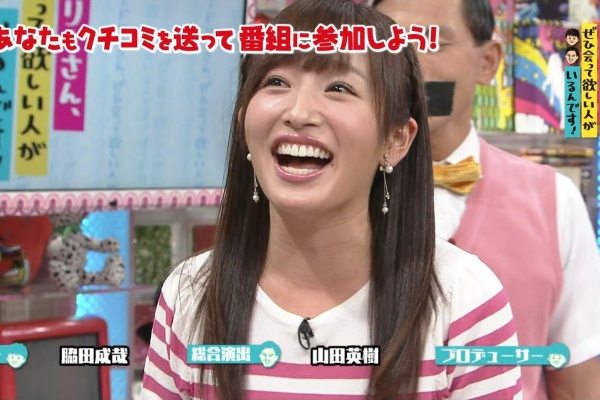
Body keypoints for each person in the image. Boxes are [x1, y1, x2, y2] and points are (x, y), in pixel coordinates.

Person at [142, 0, 522, 398]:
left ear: (396, 139)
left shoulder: (463, 299)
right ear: (243, 123)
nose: (299, 112)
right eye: (276, 82)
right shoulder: (189, 294)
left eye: (339, 88)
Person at [374, 0, 600, 398]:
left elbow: (577, 379)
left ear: (488, 61)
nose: (409, 64)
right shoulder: (328, 194)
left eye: (433, 43)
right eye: (392, 44)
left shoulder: (555, 201)